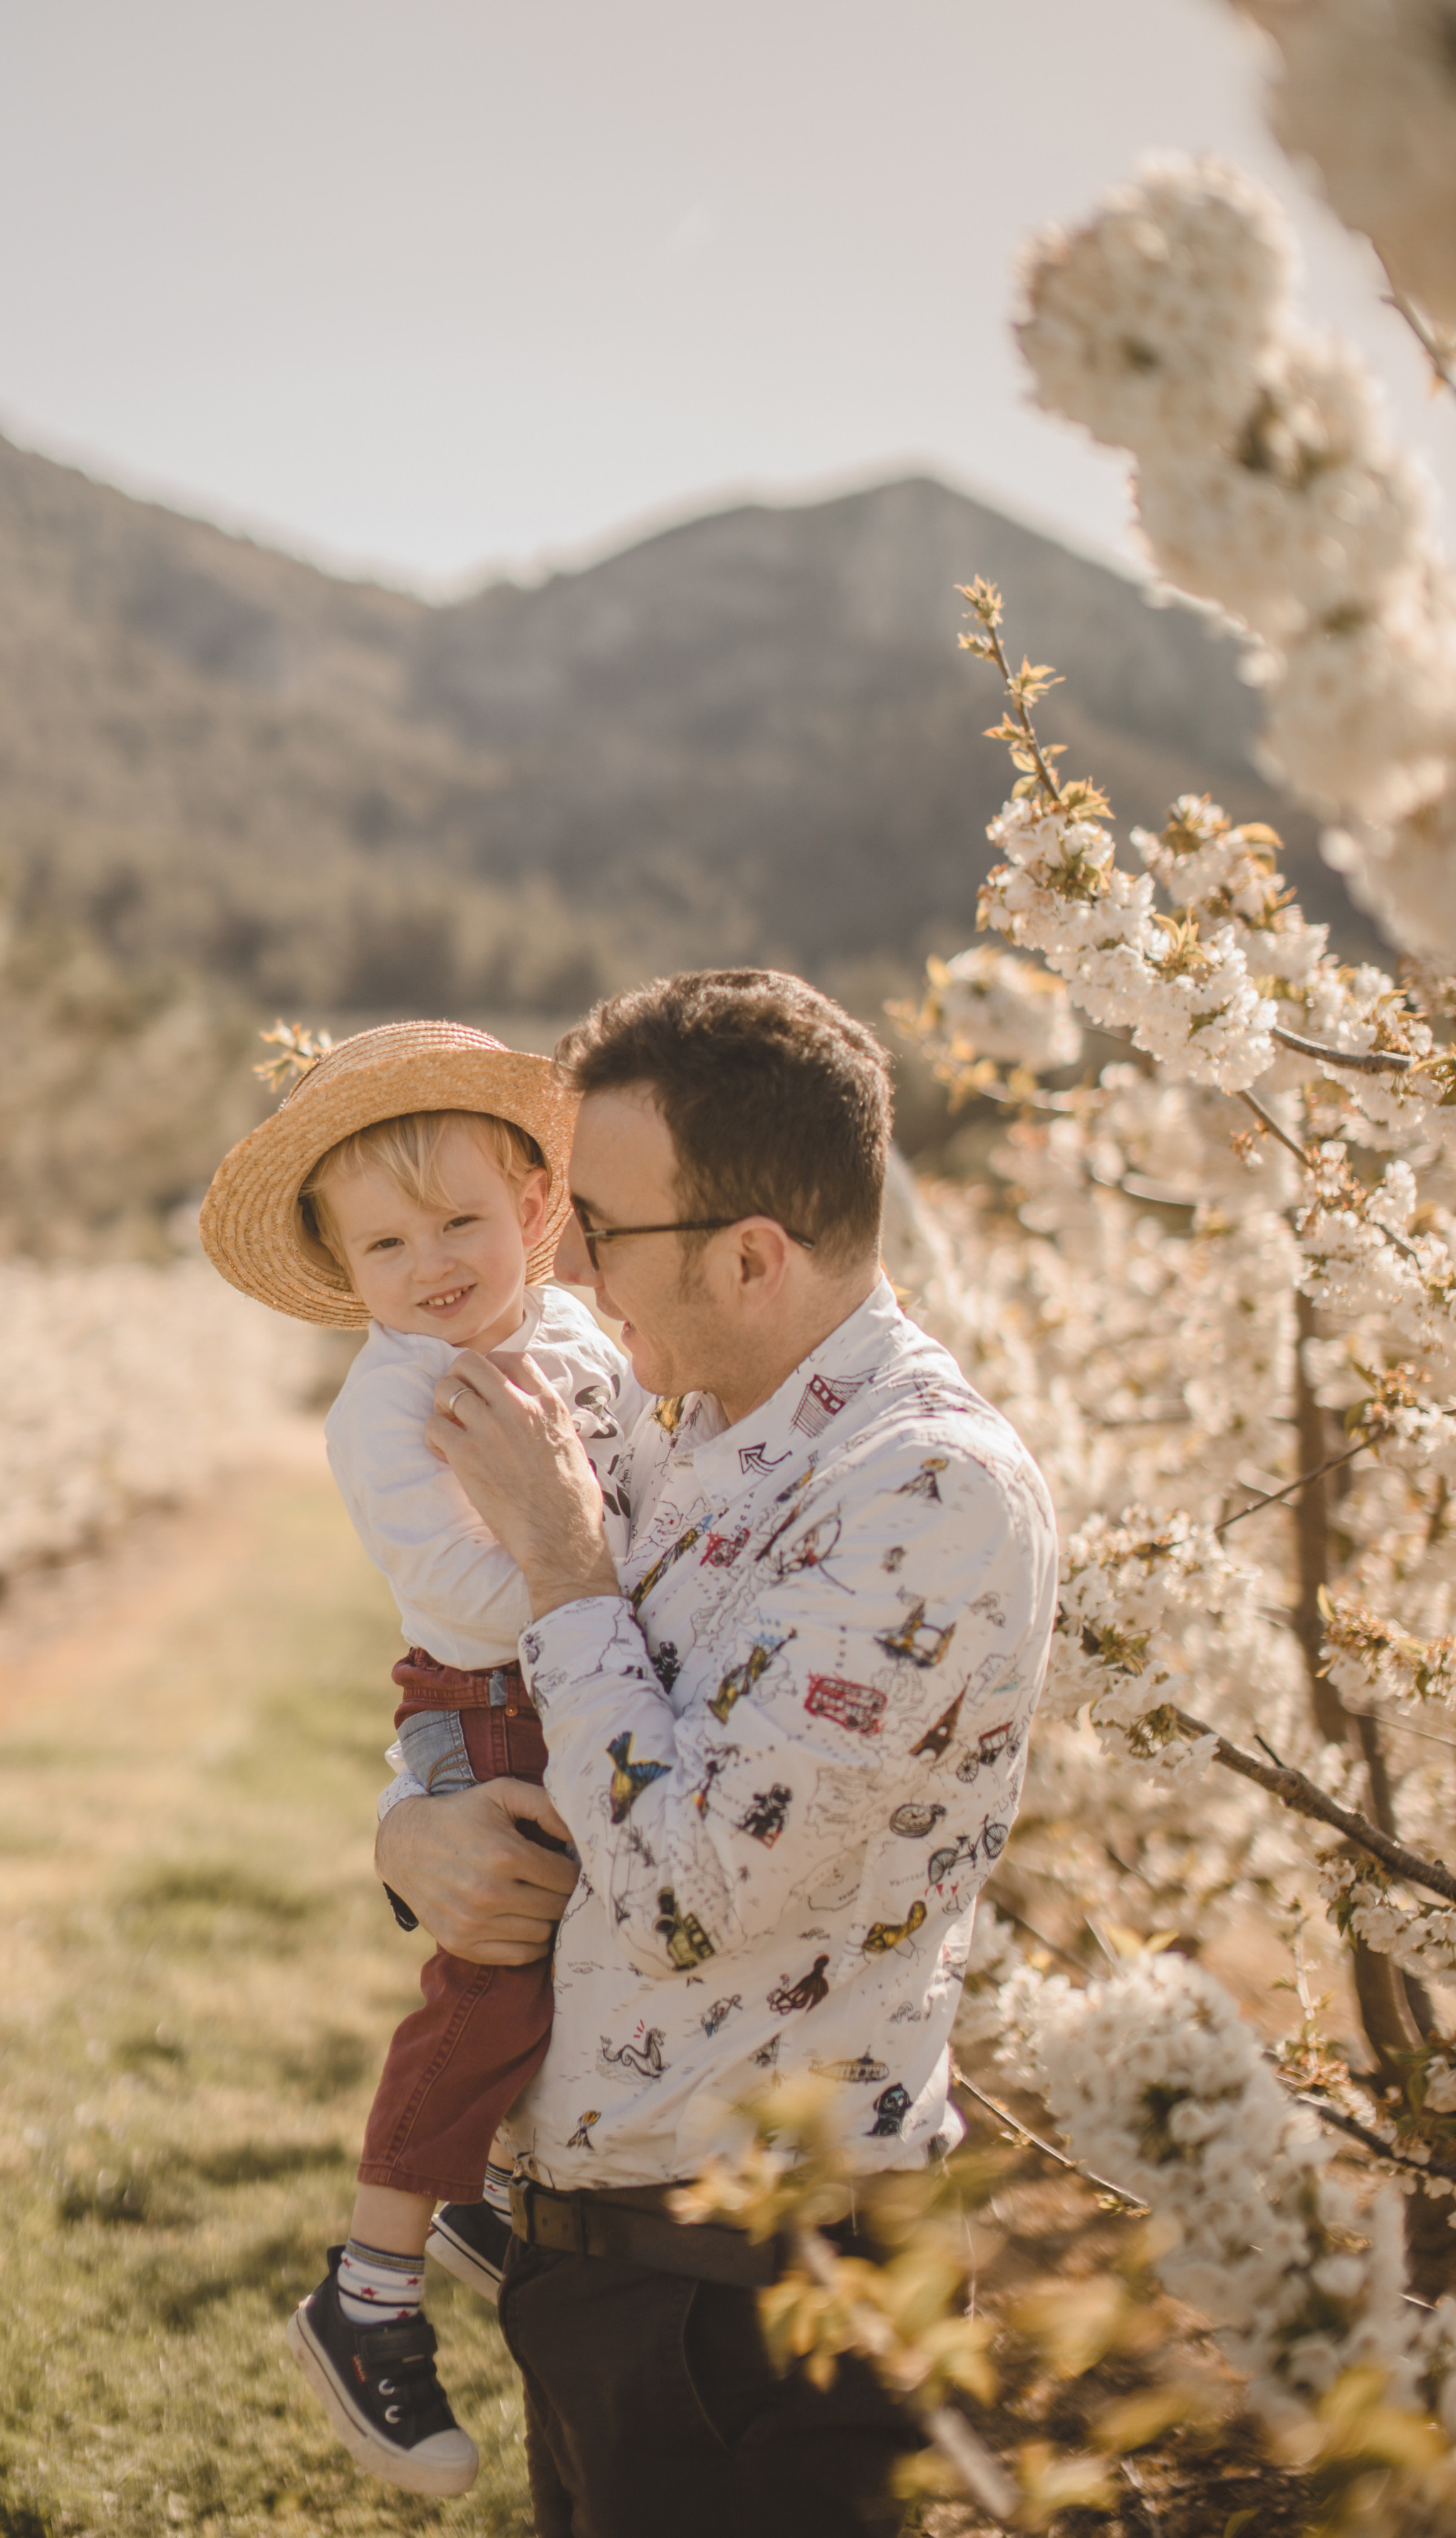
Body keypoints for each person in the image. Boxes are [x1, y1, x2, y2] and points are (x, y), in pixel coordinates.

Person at [377, 969, 1059, 2538]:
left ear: (752, 1256)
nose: (565, 1266)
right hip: (603, 2269)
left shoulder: (924, 1495)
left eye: (602, 1227)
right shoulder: (676, 1425)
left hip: (761, 2314)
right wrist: (408, 1832)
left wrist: (565, 1563)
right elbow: (521, 1706)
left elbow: (686, 1892)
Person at [199, 1020, 640, 2501]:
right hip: (487, 1693)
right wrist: (597, 1585)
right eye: (386, 1244)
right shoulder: (392, 1403)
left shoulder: (571, 1337)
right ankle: (369, 2290)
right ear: (343, 1266)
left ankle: (482, 2189)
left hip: (562, 1667)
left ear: (535, 1205)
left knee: (594, 1943)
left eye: (459, 1221)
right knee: (493, 1969)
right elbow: (456, 1588)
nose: (431, 1263)